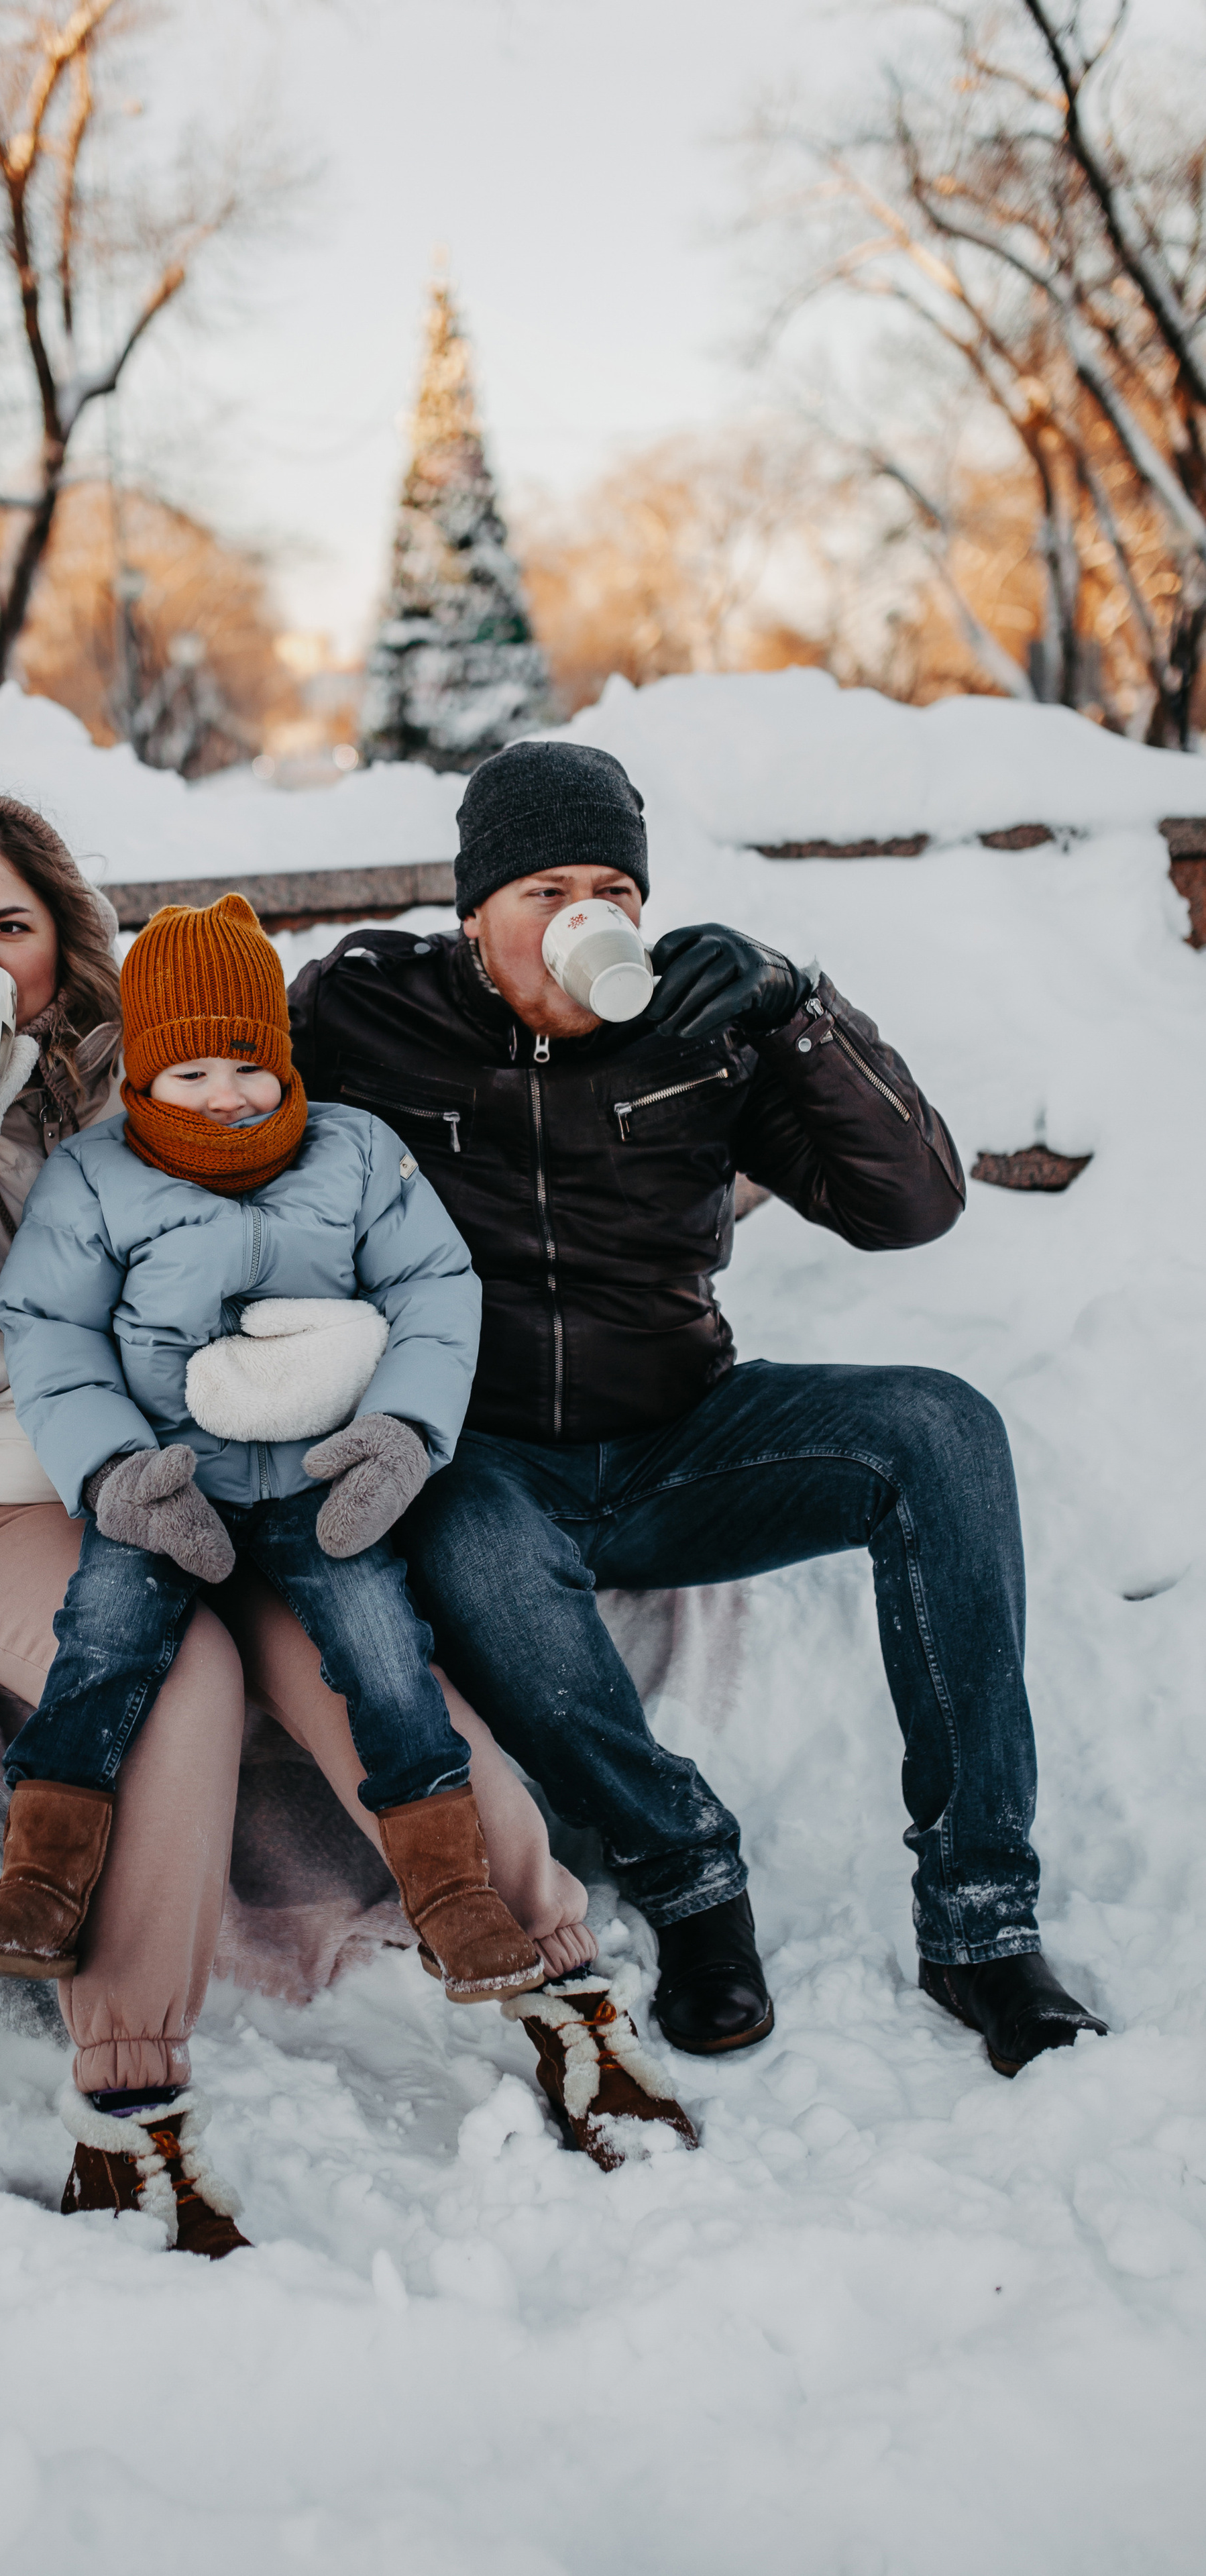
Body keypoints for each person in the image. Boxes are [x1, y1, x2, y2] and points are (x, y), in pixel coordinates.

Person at [0, 794, 604, 2259]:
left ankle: (554, 1982)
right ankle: (128, 2108)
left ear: (63, 944)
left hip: (221, 1491)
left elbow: (298, 1266)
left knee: (365, 1656)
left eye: (8, 928)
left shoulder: (159, 1090)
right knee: (181, 1678)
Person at [289, 737, 1109, 2082]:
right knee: (472, 1536)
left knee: (941, 1430)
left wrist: (797, 1007)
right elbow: (198, 1078)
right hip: (477, 1448)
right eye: (542, 890)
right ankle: (689, 1885)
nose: (580, 921)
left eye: (609, 888)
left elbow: (910, 1207)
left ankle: (978, 1925)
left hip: (682, 1435)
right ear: (472, 910)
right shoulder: (363, 1011)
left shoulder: (697, 1027)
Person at [0, 889, 545, 2019]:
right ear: (144, 1079)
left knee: (385, 1651)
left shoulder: (355, 1152)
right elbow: (51, 1329)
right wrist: (115, 1473)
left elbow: (435, 1285)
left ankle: (454, 1891)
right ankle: (41, 1878)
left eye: (248, 1064)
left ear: (284, 1061)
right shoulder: (96, 1176)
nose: (224, 1095)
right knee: (105, 1636)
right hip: (169, 1486)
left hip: (327, 1485)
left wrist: (406, 1434)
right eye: (190, 1072)